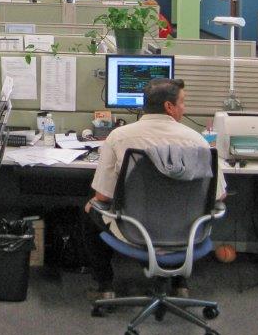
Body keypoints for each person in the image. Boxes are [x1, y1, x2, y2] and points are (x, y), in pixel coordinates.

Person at [82, 78, 225, 298]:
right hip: (186, 235)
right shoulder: (198, 141)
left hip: (134, 232)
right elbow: (219, 196)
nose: (184, 108)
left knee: (89, 209)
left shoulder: (119, 137)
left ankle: (105, 287)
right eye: (182, 102)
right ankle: (179, 284)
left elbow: (103, 196)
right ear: (169, 106)